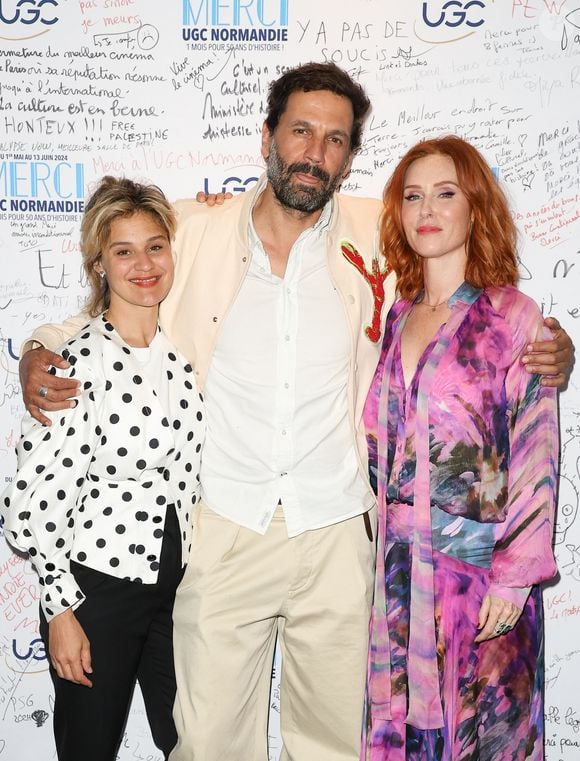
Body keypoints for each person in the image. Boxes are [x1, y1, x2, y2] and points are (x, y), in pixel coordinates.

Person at [16, 64, 572, 761]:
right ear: (267, 137)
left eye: (336, 139)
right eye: (302, 130)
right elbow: (121, 292)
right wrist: (38, 349)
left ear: (348, 155)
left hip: (337, 532)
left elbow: (476, 306)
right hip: (224, 527)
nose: (316, 152)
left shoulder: (385, 227)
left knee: (337, 743)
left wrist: (553, 343)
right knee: (210, 742)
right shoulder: (193, 232)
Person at [361, 136, 559, 761]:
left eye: (446, 193)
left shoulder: (514, 317)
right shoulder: (399, 315)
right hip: (398, 576)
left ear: (475, 207)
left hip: (481, 582)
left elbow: (536, 457)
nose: (428, 208)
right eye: (413, 195)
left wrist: (513, 578)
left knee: (487, 739)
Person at [1, 177, 205, 761]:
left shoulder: (184, 359)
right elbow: (31, 502)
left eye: (155, 246)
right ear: (100, 264)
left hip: (176, 590)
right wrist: (60, 609)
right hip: (96, 591)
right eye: (124, 250)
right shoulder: (76, 363)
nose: (144, 264)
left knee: (191, 741)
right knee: (88, 748)